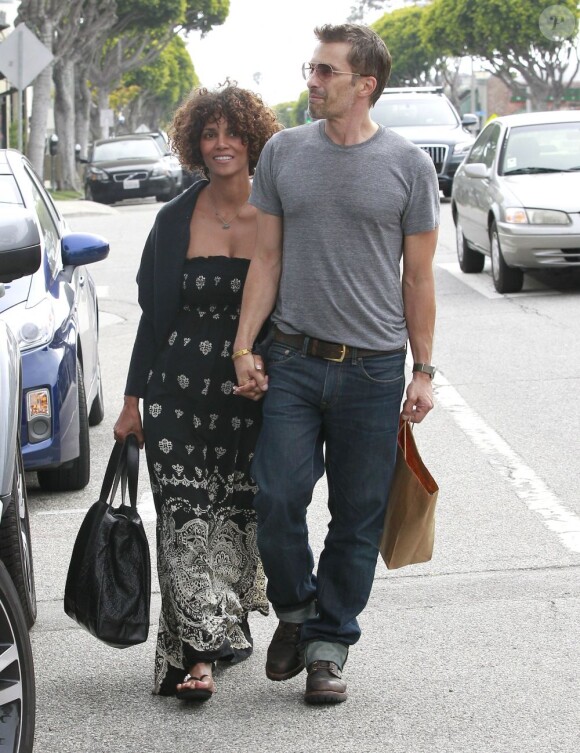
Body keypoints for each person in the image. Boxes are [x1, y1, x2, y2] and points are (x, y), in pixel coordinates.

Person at [232, 24, 440, 705]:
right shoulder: (285, 154)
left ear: (364, 84)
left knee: (356, 515)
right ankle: (295, 610)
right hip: (292, 358)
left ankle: (327, 646)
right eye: (311, 68)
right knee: (278, 495)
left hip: (376, 368)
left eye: (326, 71)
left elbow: (419, 278)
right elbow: (266, 259)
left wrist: (424, 369)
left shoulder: (408, 165)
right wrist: (244, 346)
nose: (312, 81)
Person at [113, 82, 282, 701]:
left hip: (250, 398)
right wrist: (132, 402)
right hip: (176, 396)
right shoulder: (173, 218)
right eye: (208, 134)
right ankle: (198, 659)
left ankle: (222, 627)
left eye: (231, 133)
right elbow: (154, 321)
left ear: (252, 138)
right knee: (184, 521)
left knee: (236, 518)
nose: (220, 145)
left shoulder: (276, 214)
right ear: (193, 143)